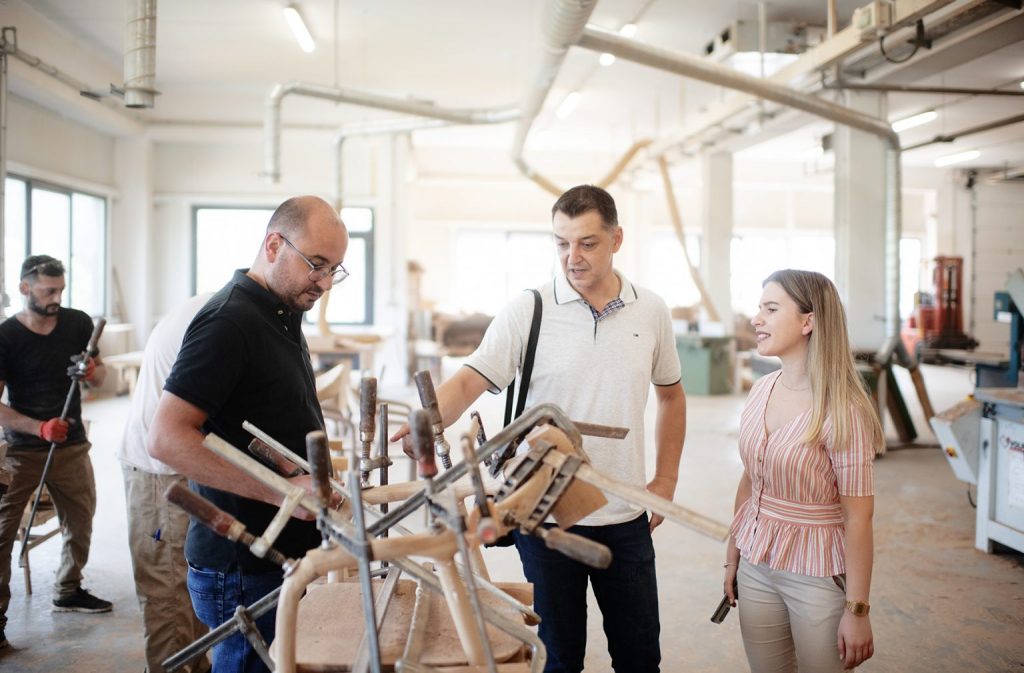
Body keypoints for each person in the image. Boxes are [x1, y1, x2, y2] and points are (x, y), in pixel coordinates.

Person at [394, 184, 686, 673]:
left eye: (587, 243)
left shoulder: (651, 311)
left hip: (624, 513)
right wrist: (428, 419)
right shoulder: (529, 311)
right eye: (562, 243)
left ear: (616, 239)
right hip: (542, 514)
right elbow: (470, 380)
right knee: (559, 656)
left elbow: (671, 394)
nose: (573, 257)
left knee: (640, 657)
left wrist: (667, 481)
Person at [148, 196, 349, 673]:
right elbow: (168, 437)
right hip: (241, 565)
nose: (323, 283)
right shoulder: (230, 321)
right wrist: (281, 492)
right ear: (274, 244)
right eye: (316, 265)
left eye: (334, 270)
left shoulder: (279, 310)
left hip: (277, 553)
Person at [723, 269, 880, 672]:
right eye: (760, 308)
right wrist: (733, 556)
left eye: (771, 309)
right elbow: (750, 477)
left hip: (816, 575)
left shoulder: (844, 411)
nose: (756, 319)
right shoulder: (761, 389)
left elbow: (859, 516)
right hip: (756, 566)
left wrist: (858, 610)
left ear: (808, 322)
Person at [0, 255, 112, 650]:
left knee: (80, 521)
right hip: (23, 450)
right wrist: (38, 427)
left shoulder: (78, 323)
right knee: (2, 532)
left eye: (61, 290)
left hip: (71, 445)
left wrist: (91, 371)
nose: (56, 298)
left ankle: (68, 589)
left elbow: (101, 370)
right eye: (48, 291)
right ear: (25, 288)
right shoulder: (6, 337)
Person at [119, 292, 213, 673]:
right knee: (168, 590)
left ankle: (197, 663)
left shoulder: (226, 309)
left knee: (191, 578)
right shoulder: (219, 323)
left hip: (182, 463)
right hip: (160, 472)